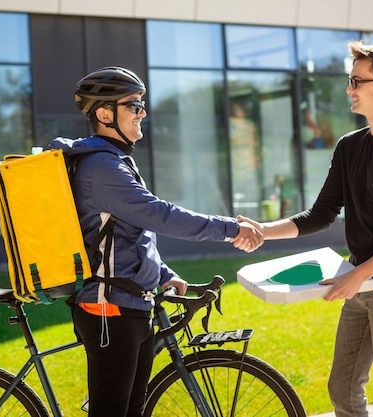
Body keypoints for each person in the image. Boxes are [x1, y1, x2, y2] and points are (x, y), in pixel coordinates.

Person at [47, 66, 263, 417]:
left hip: (131, 305)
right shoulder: (102, 168)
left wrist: (163, 274)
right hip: (109, 310)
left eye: (141, 104)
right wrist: (230, 228)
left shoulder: (114, 162)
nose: (142, 112)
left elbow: (132, 233)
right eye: (133, 105)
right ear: (104, 114)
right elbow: (160, 215)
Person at [240, 41, 373, 417]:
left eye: (357, 81)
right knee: (342, 390)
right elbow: (322, 214)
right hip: (357, 280)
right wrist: (263, 230)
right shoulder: (349, 146)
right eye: (350, 79)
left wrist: (358, 275)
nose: (349, 89)